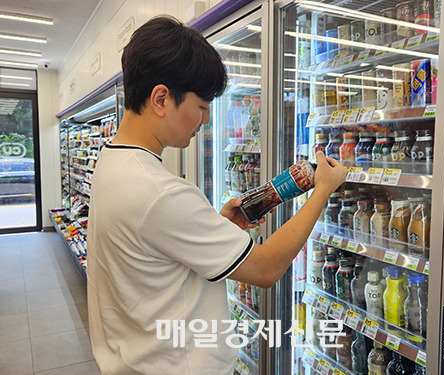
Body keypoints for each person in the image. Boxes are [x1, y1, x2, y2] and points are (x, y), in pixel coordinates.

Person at [87, 15, 347, 375]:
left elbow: (154, 254)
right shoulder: (159, 191)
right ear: (161, 98)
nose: (206, 120)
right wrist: (322, 191)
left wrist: (217, 227)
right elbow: (266, 267)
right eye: (203, 106)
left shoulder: (112, 162)